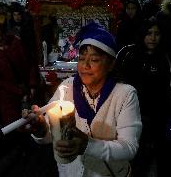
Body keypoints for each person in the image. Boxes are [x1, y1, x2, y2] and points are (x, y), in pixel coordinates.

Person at [25, 22, 142, 177]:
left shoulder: (125, 95)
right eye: (81, 58)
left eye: (94, 60)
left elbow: (129, 148)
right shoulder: (67, 87)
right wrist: (40, 129)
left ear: (111, 64)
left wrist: (87, 145)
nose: (85, 65)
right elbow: (50, 134)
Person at [115, 17, 171, 177]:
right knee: (126, 154)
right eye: (148, 33)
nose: (153, 38)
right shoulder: (127, 53)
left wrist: (162, 116)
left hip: (152, 117)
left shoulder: (164, 58)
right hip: (127, 115)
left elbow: (168, 90)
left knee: (145, 158)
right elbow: (116, 80)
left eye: (157, 34)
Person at [0, 20, 39, 126]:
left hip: (30, 90)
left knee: (38, 124)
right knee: (17, 128)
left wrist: (32, 84)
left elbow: (30, 63)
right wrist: (20, 92)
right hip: (9, 98)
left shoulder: (14, 41)